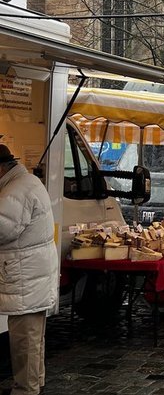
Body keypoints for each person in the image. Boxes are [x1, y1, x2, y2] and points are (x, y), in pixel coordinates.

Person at [0, 145, 58, 395]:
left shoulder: (16, 190)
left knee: (25, 340)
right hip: (31, 275)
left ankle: (26, 389)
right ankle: (35, 383)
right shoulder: (26, 182)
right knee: (32, 338)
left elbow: (3, 229)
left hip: (26, 277)